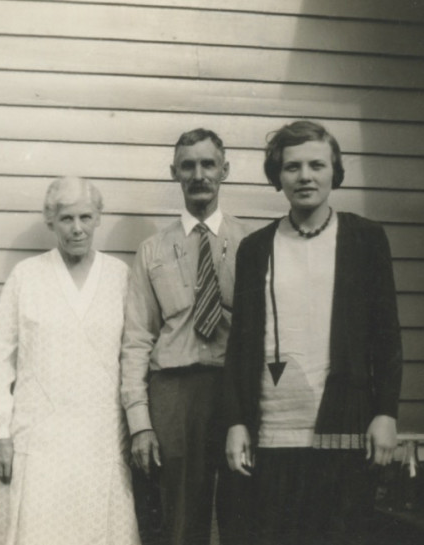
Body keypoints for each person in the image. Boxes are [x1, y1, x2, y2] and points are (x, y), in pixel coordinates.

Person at [223, 120, 402, 545]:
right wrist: (235, 422)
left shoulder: (366, 239)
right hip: (272, 431)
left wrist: (386, 411)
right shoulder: (255, 248)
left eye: (317, 165)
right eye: (292, 167)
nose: (305, 176)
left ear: (334, 171)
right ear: (277, 175)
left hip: (345, 425)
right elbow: (241, 344)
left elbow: (387, 335)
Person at [0, 177, 140, 545]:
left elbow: (134, 355)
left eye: (86, 217)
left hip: (101, 438)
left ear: (99, 218)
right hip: (39, 440)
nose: (77, 228)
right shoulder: (27, 276)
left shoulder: (120, 277)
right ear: (51, 221)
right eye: (67, 219)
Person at [121, 129, 251, 545]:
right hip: (174, 393)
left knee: (242, 505)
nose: (199, 174)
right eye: (189, 165)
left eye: (208, 164)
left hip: (235, 387)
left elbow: (273, 335)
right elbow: (137, 340)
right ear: (174, 172)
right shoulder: (152, 251)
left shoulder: (252, 245)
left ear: (224, 171)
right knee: (181, 516)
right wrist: (140, 423)